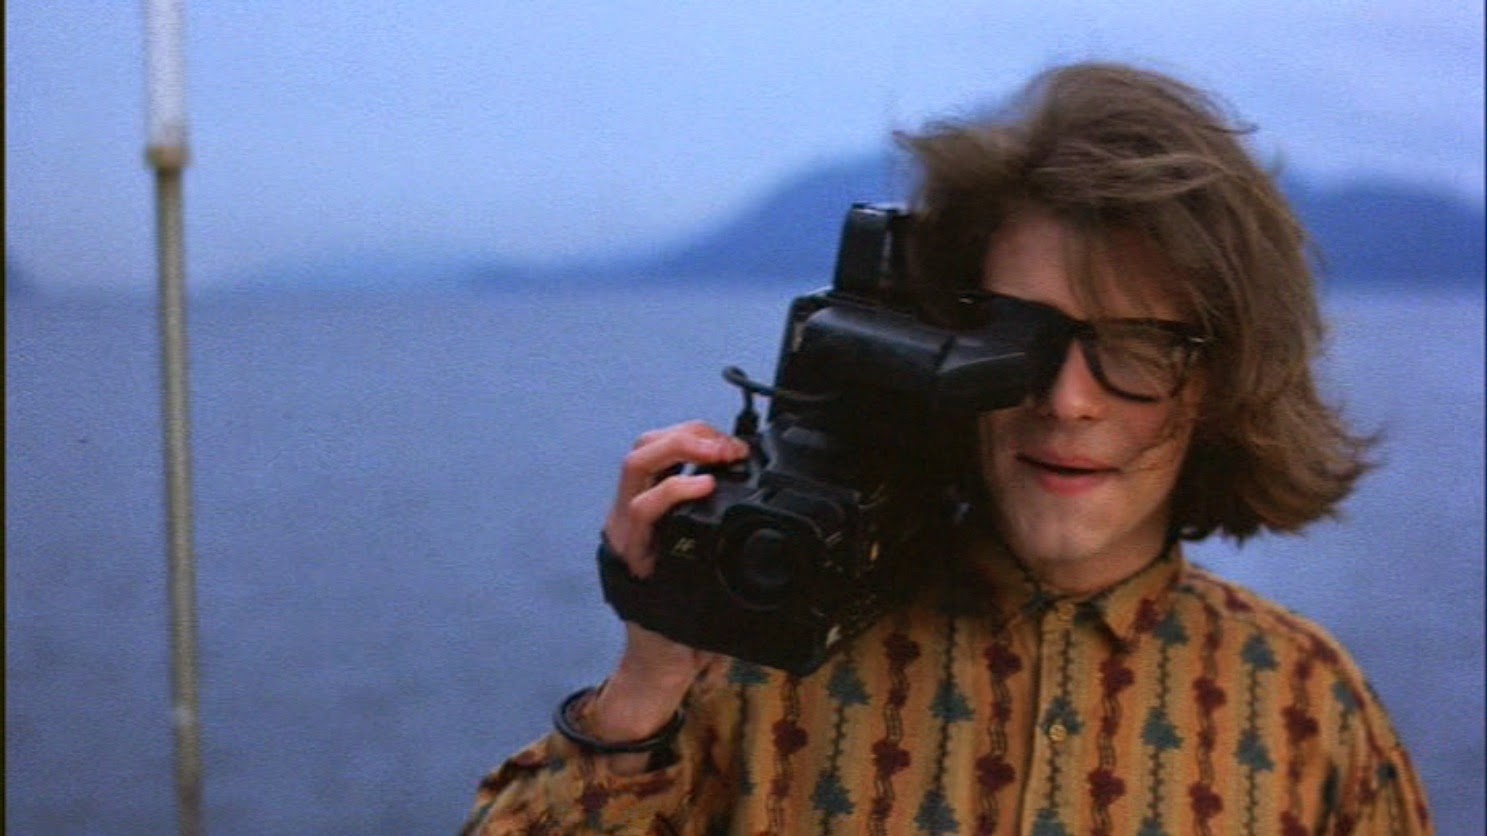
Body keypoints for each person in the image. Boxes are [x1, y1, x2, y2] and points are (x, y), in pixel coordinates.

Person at [462, 62, 1432, 835]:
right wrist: (644, 685)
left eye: (1138, 347)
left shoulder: (1303, 708)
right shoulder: (759, 665)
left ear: (1222, 378)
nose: (1066, 400)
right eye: (1016, 337)